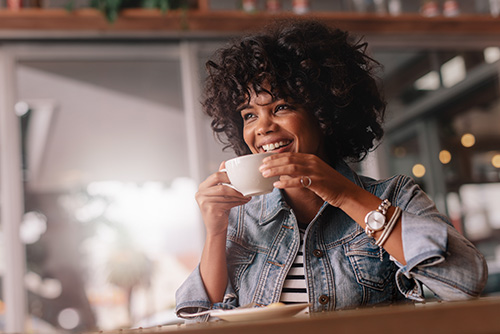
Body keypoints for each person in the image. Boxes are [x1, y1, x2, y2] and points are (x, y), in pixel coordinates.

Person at [175, 20, 487, 320]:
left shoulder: (394, 195)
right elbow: (202, 321)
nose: (263, 128)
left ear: (323, 113)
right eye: (249, 115)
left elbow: (465, 282)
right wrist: (216, 232)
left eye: (281, 107)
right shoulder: (241, 219)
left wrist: (344, 194)